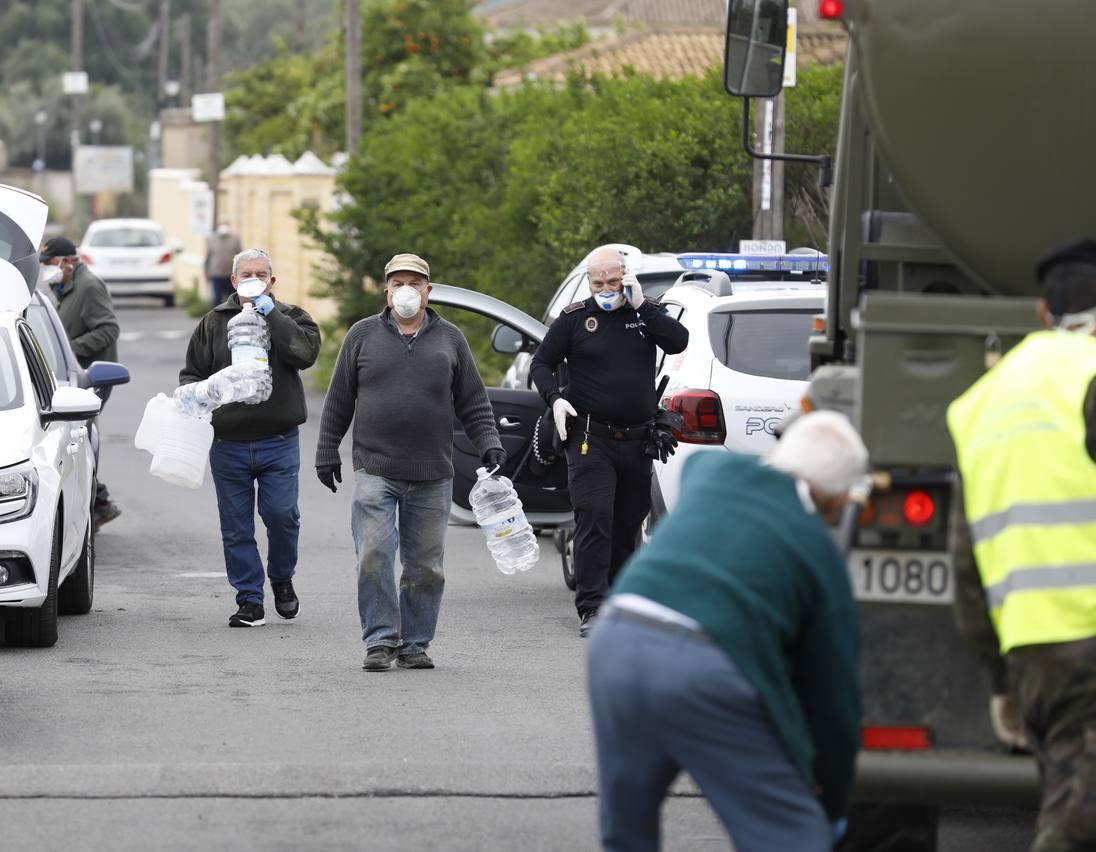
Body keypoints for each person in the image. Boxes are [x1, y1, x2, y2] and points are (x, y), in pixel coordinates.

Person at [587, 411, 867, 852]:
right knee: (793, 838)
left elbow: (700, 467)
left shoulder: (714, 471)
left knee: (627, 834)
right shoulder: (817, 550)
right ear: (833, 497)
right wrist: (829, 803)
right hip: (703, 669)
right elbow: (832, 696)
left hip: (617, 637)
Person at [948, 238, 1096, 852]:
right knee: (1089, 821)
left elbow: (967, 562)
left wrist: (1001, 683)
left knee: (1079, 802)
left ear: (1042, 315)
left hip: (1035, 653)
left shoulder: (980, 403)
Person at [315, 253, 505, 671]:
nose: (406, 289)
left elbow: (473, 400)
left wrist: (488, 442)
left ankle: (415, 643)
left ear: (428, 290)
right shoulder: (362, 335)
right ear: (386, 289)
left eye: (414, 283)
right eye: (398, 282)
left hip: (432, 473)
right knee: (374, 554)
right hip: (375, 468)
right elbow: (339, 398)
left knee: (426, 566)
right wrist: (327, 449)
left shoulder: (450, 338)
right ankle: (380, 640)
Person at [529, 245, 689, 636]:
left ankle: (621, 601)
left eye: (613, 281)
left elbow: (679, 340)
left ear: (625, 278)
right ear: (588, 281)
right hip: (589, 439)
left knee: (627, 522)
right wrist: (556, 399)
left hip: (637, 440)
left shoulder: (644, 313)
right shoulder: (574, 319)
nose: (606, 288)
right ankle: (593, 609)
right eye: (598, 282)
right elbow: (541, 364)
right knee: (595, 519)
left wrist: (644, 307)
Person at [179, 248, 321, 628]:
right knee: (236, 526)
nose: (253, 279)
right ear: (233, 281)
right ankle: (249, 600)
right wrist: (201, 394)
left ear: (273, 281)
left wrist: (270, 314)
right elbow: (191, 374)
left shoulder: (293, 317)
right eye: (246, 274)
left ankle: (282, 579)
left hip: (278, 438)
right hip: (228, 442)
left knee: (282, 516)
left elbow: (306, 354)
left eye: (261, 274)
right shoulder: (214, 322)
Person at [41, 236, 121, 529]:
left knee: (81, 438)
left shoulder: (89, 287)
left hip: (88, 377)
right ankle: (98, 501)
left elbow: (108, 329)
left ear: (67, 262)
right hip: (73, 377)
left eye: (49, 264)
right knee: (77, 438)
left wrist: (68, 350)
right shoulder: (66, 287)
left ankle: (98, 502)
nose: (46, 270)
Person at [204, 221, 243, 308]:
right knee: (217, 298)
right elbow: (207, 257)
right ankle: (217, 317)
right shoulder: (211, 239)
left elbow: (240, 256)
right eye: (221, 224)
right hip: (216, 274)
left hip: (231, 274)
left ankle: (232, 315)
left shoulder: (235, 239)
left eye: (226, 224)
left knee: (232, 297)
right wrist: (206, 272)